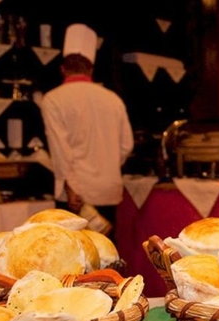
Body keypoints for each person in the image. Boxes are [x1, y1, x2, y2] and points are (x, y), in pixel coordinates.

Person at [40, 23, 133, 238]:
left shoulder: (53, 99)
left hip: (76, 193)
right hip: (107, 190)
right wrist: (107, 166)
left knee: (75, 251)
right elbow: (127, 145)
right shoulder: (113, 99)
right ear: (91, 69)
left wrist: (71, 186)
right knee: (107, 249)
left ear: (62, 69)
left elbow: (60, 149)